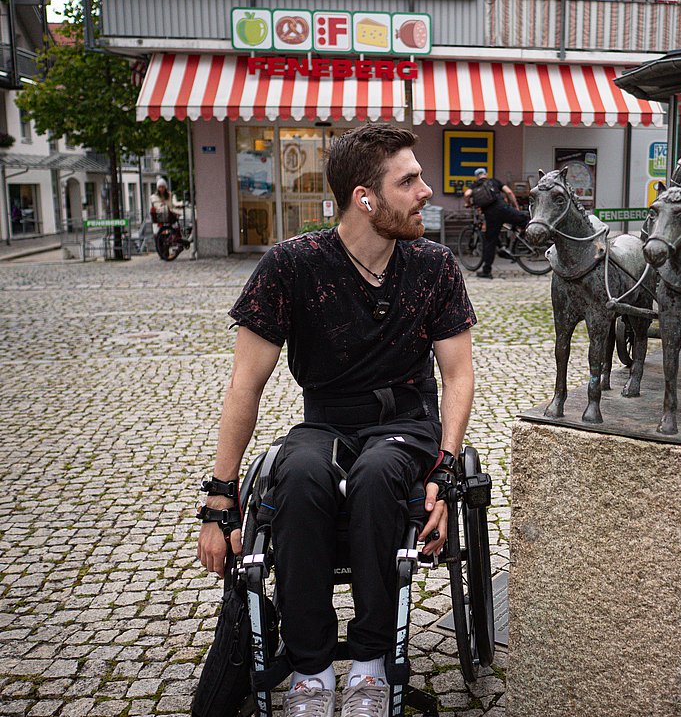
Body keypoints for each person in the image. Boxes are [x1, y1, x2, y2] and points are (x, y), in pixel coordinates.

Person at [196, 123, 476, 717]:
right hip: (324, 422)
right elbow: (245, 386)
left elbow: (458, 376)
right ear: (363, 197)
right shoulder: (292, 266)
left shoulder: (434, 267)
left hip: (407, 422)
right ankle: (312, 671)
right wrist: (221, 501)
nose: (427, 191)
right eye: (410, 180)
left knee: (378, 476)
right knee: (296, 476)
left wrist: (446, 473)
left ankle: (372, 666)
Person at [462, 167, 529, 279]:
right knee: (525, 221)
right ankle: (527, 236)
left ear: (476, 176)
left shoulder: (475, 185)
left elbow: (467, 194)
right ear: (485, 174)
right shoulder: (494, 181)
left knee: (490, 242)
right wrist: (516, 206)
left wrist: (468, 204)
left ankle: (486, 271)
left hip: (491, 215)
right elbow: (509, 192)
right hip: (504, 209)